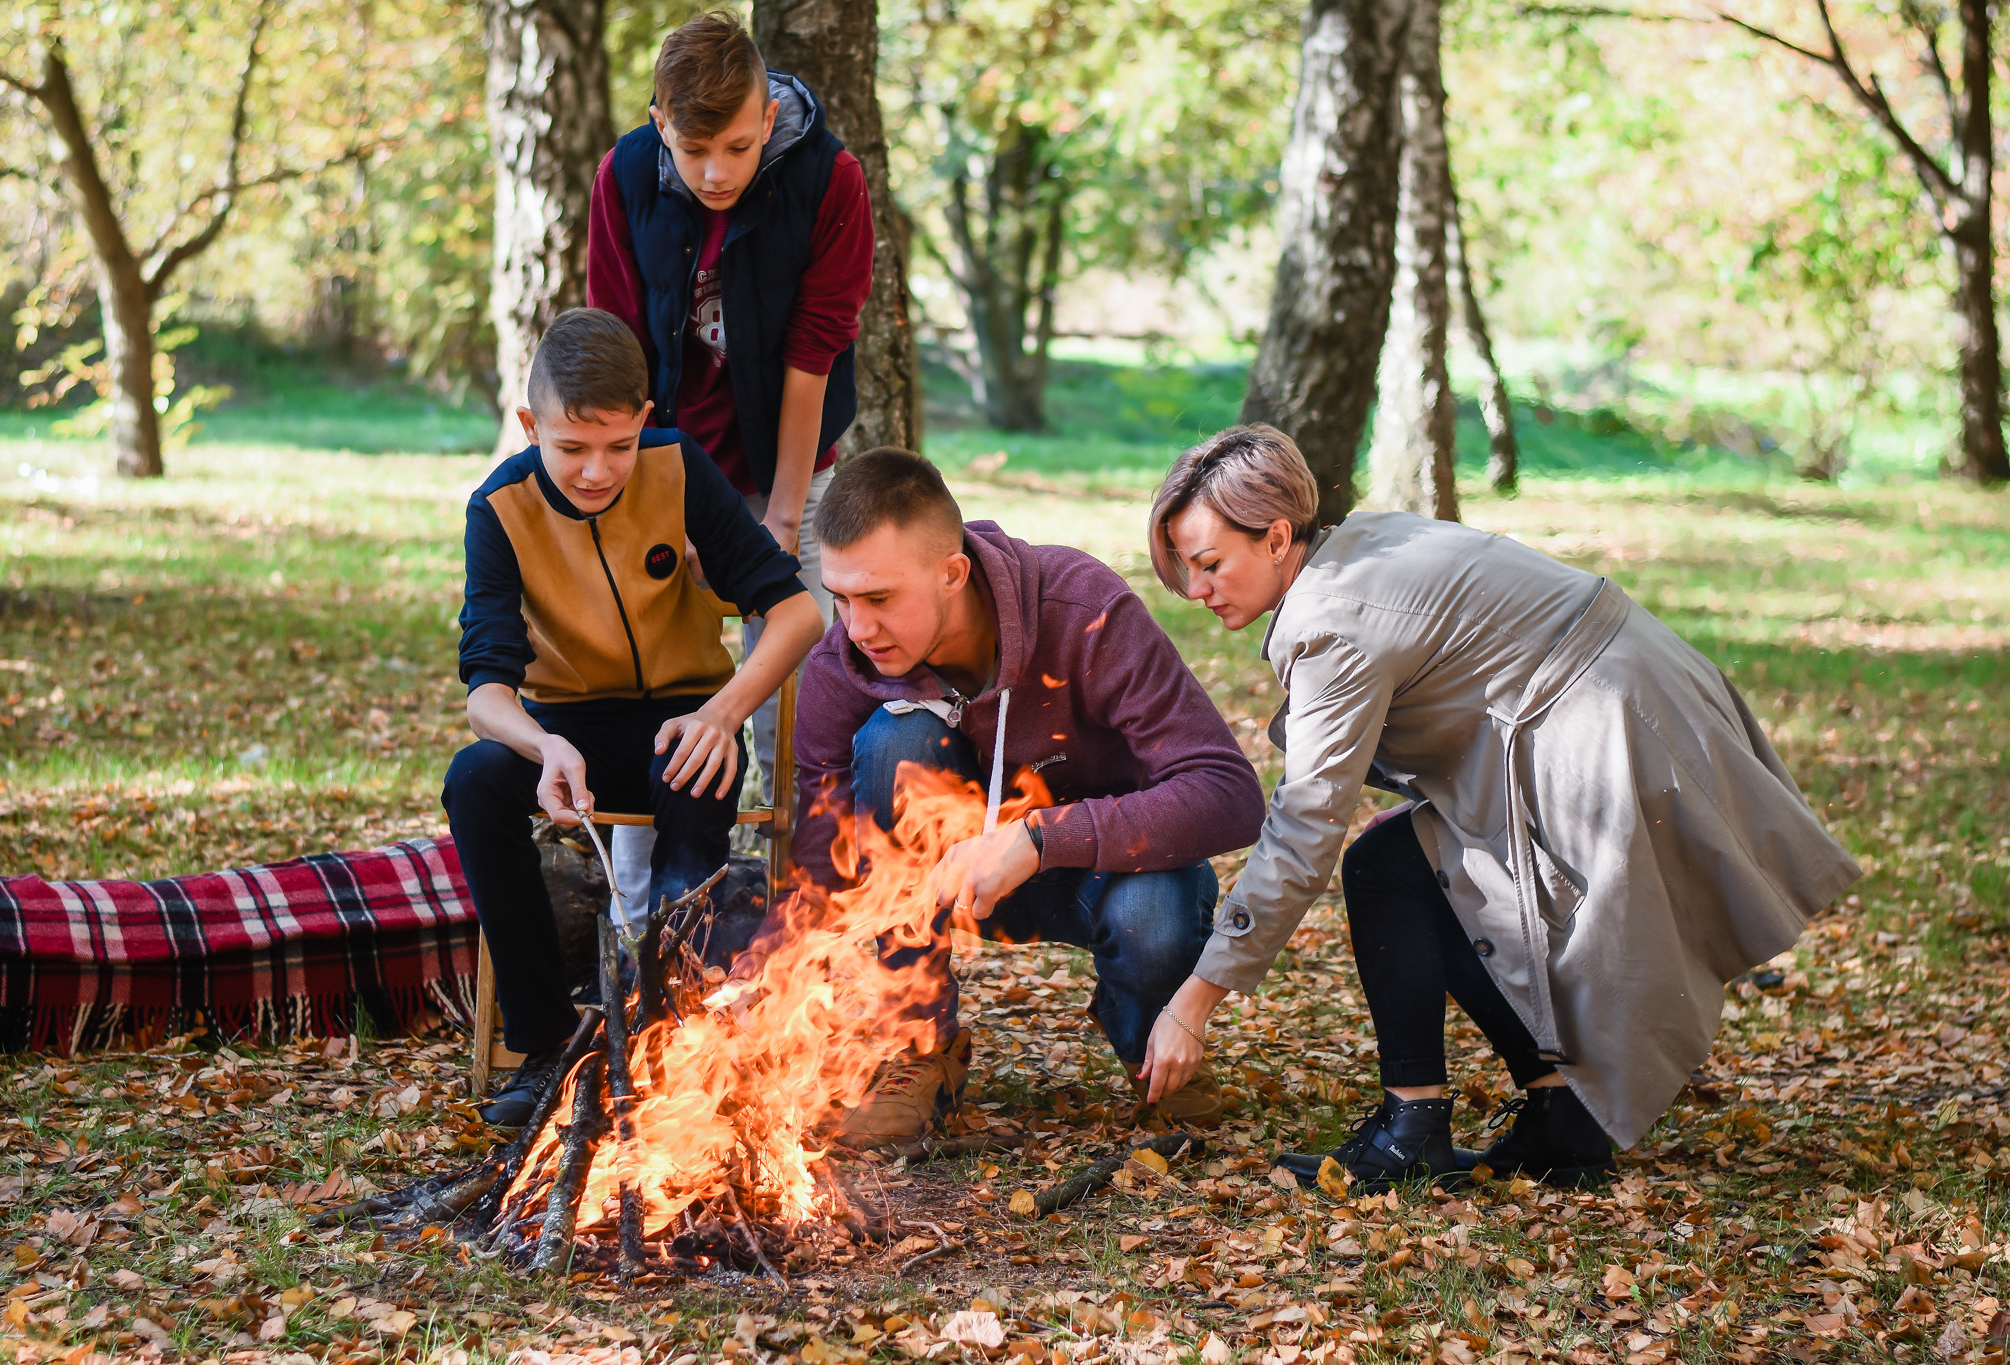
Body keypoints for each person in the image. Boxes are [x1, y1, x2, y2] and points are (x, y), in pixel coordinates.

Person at [1136, 425, 1862, 1189]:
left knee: (1388, 869)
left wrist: (1195, 1000)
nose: (1195, 588)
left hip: (1605, 729)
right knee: (1411, 864)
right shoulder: (1362, 543)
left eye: (1210, 563)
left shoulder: (1330, 621)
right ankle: (1562, 1116)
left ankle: (1416, 1124)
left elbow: (1303, 828)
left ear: (1278, 536)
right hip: (1638, 690)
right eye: (1185, 568)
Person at [733, 448, 1267, 1146]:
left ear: (952, 573)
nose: (857, 627)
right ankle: (916, 1048)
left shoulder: (1081, 608)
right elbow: (822, 845)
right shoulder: (846, 662)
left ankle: (1147, 1041)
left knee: (1157, 920)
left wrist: (1038, 837)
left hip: (1102, 873)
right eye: (841, 596)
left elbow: (1230, 793)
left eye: (880, 598)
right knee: (894, 742)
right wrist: (774, 972)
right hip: (939, 884)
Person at [443, 308, 825, 1127]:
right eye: (571, 448)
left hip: (685, 716)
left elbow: (796, 613)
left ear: (646, 421)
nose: (596, 471)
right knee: (475, 780)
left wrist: (723, 714)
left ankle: (671, 1030)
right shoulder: (498, 509)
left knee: (695, 766)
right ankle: (544, 1037)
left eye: (618, 446)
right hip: (567, 730)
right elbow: (485, 691)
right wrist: (540, 744)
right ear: (529, 425)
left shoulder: (678, 467)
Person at [586, 11, 875, 919]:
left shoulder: (829, 180)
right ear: (660, 123)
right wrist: (641, 500)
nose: (717, 173)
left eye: (740, 147)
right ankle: (640, 930)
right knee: (645, 701)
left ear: (767, 113)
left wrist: (779, 522)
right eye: (696, 149)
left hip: (789, 464)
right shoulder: (627, 174)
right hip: (659, 468)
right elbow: (618, 347)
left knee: (798, 710)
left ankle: (808, 928)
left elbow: (812, 351)